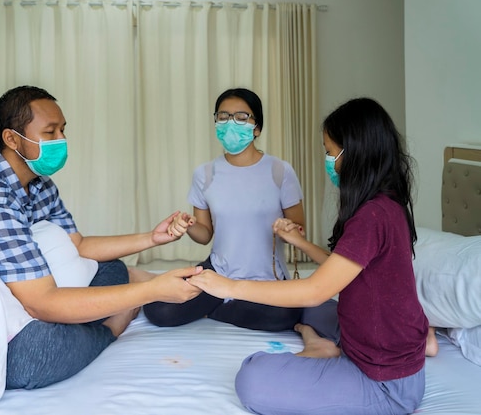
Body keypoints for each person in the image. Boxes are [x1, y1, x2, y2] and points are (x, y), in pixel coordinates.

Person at [0, 85, 202, 390]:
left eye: (63, 131)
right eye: (51, 132)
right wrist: (149, 291)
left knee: (112, 269)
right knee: (40, 356)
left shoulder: (40, 184)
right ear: (12, 139)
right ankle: (109, 328)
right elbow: (44, 303)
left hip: (13, 299)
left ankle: (79, 322)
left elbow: (78, 246)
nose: (62, 141)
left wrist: (152, 238)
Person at [186, 97, 437, 415]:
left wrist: (228, 287)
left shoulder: (371, 215)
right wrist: (299, 243)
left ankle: (328, 349)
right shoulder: (385, 204)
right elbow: (342, 267)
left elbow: (317, 288)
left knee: (252, 377)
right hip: (390, 345)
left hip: (386, 384)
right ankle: (414, 341)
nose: (329, 161)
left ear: (356, 154)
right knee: (311, 310)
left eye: (331, 153)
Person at [143, 88, 338, 343]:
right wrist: (188, 225)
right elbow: (204, 235)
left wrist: (288, 229)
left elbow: (299, 228)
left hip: (265, 278)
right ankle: (221, 302)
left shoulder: (280, 171)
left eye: (241, 117)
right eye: (223, 117)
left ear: (257, 127)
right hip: (218, 272)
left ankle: (214, 307)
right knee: (158, 310)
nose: (230, 123)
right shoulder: (205, 174)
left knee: (283, 316)